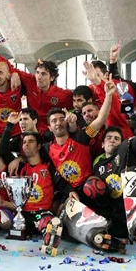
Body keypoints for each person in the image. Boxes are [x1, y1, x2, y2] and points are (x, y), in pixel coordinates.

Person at [42, 64, 115, 209]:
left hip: (89, 186)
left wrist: (108, 95)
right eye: (54, 121)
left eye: (61, 119)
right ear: (49, 127)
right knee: (58, 208)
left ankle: (107, 219)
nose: (58, 123)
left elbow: (100, 120)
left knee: (94, 186)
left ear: (67, 120)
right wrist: (69, 191)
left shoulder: (80, 137)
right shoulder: (46, 149)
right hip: (69, 190)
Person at [0, 44, 73, 136]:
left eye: (43, 74)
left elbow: (77, 105)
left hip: (50, 133)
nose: (39, 77)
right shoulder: (30, 81)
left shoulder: (62, 95)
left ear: (52, 78)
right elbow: (10, 68)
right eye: (37, 73)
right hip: (31, 130)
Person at [93, 123, 136, 238]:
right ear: (103, 144)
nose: (112, 140)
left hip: (133, 208)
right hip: (111, 210)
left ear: (121, 143)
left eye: (116, 138)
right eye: (109, 138)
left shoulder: (126, 149)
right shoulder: (98, 165)